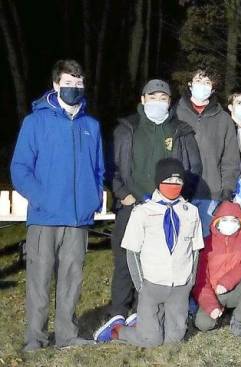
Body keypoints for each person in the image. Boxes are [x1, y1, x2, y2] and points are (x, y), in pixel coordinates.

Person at [11, 59, 105, 352]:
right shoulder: (35, 122)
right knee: (39, 281)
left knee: (72, 280)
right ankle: (35, 338)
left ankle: (66, 335)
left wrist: (91, 199)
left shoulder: (92, 125)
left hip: (77, 220)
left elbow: (99, 170)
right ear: (55, 85)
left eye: (78, 83)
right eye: (68, 83)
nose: (74, 88)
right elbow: (20, 168)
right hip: (44, 218)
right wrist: (43, 199)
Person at [110, 79, 202, 318]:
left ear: (170, 102)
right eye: (153, 97)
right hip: (134, 204)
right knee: (125, 259)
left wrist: (179, 198)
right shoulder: (126, 129)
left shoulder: (181, 131)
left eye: (163, 99)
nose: (157, 103)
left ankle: (148, 312)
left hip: (167, 208)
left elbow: (193, 168)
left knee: (157, 262)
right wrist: (123, 194)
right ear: (143, 100)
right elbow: (114, 167)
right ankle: (119, 312)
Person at [94, 159, 204, 347]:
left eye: (178, 181)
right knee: (151, 340)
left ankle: (152, 322)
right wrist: (141, 286)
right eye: (168, 180)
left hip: (179, 286)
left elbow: (195, 250)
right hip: (152, 286)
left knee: (173, 341)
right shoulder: (143, 211)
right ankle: (118, 330)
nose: (174, 185)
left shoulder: (191, 212)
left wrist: (190, 281)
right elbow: (132, 252)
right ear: (158, 182)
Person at [175, 67, 241, 236]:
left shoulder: (224, 119)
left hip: (211, 194)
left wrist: (227, 190)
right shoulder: (174, 113)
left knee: (207, 247)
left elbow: (230, 160)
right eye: (198, 81)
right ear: (190, 84)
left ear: (213, 88)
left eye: (207, 82)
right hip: (178, 193)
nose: (202, 86)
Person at [192, 202, 241, 337]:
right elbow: (201, 281)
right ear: (217, 222)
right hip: (213, 293)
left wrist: (227, 282)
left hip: (236, 290)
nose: (229, 223)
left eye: (233, 220)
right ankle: (220, 314)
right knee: (203, 324)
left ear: (240, 222)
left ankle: (239, 320)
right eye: (224, 220)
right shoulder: (206, 243)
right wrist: (211, 305)